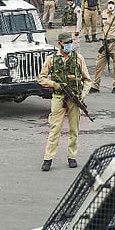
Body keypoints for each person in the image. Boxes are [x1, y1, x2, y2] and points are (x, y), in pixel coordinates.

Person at [37, 32, 92, 171]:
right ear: (60, 43)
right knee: (55, 129)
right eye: (66, 43)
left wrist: (82, 95)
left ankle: (72, 156)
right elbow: (41, 78)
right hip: (59, 98)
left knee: (74, 129)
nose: (69, 45)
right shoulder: (51, 59)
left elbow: (87, 80)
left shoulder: (78, 58)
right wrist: (54, 85)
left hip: (74, 99)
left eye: (70, 42)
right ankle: (48, 158)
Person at [91, 0, 115, 94]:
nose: (111, 5)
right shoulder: (104, 13)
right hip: (105, 43)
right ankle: (96, 85)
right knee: (99, 64)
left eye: (112, 3)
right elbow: (102, 26)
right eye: (109, 3)